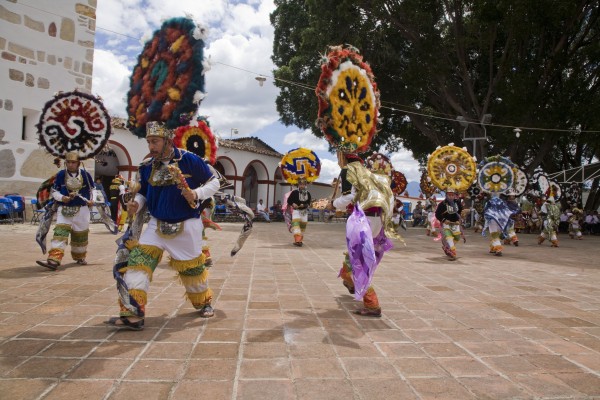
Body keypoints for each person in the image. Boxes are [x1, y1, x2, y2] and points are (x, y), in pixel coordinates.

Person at [106, 121, 220, 330]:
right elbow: (144, 193)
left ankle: (203, 303)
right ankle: (133, 314)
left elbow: (215, 182)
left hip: (186, 226)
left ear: (168, 140)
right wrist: (136, 204)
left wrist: (196, 193)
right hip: (156, 226)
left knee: (193, 272)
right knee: (137, 264)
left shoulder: (189, 160)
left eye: (155, 141)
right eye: (149, 142)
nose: (151, 146)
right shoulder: (148, 166)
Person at [330, 153, 399, 317]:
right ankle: (350, 281)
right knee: (354, 258)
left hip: (362, 221)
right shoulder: (372, 175)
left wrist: (333, 204)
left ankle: (372, 303)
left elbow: (349, 196)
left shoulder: (348, 171)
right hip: (377, 222)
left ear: (344, 159)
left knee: (358, 264)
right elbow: (389, 198)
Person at [36, 151, 94, 270]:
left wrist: (91, 200)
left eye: (73, 162)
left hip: (82, 210)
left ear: (78, 163)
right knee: (60, 233)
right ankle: (54, 260)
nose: (70, 164)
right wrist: (63, 198)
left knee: (81, 235)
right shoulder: (61, 175)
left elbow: (93, 190)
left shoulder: (86, 175)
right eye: (68, 162)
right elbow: (54, 191)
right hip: (64, 209)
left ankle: (79, 256)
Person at [435, 188, 463, 260]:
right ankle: (453, 253)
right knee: (449, 237)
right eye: (449, 195)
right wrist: (444, 220)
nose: (451, 196)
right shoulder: (442, 204)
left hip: (455, 224)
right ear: (446, 195)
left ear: (454, 196)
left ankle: (447, 247)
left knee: (457, 237)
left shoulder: (458, 202)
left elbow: (460, 212)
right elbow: (437, 214)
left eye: (452, 195)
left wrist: (458, 220)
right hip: (446, 224)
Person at [286, 177, 312, 246]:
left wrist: (304, 205)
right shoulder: (294, 192)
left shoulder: (308, 193)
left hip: (304, 212)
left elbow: (309, 203)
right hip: (296, 211)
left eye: (303, 184)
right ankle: (297, 241)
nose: (302, 186)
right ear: (298, 184)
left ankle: (299, 241)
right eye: (301, 184)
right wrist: (293, 204)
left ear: (305, 185)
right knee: (296, 225)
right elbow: (289, 200)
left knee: (303, 227)